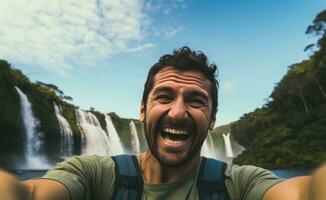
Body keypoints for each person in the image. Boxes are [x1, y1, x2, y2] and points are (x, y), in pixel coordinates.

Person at [0, 46, 323, 200]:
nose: (178, 112)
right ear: (142, 109)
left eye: (196, 101)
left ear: (212, 119)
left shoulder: (241, 183)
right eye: (164, 96)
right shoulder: (92, 175)